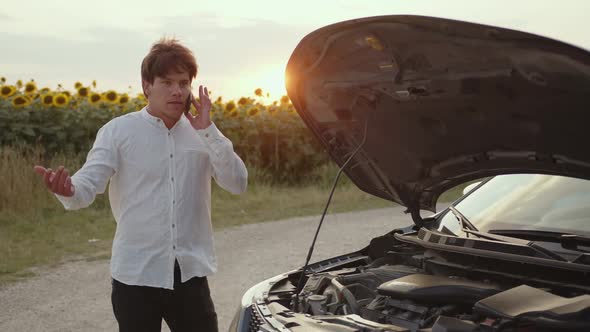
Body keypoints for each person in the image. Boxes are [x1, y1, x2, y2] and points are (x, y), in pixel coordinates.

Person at [33, 37, 248, 332]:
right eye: (167, 82)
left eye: (184, 83)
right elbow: (88, 183)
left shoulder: (203, 133)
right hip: (135, 276)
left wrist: (208, 131)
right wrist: (67, 189)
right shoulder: (118, 131)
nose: (177, 91)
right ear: (147, 85)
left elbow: (238, 183)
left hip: (189, 276)